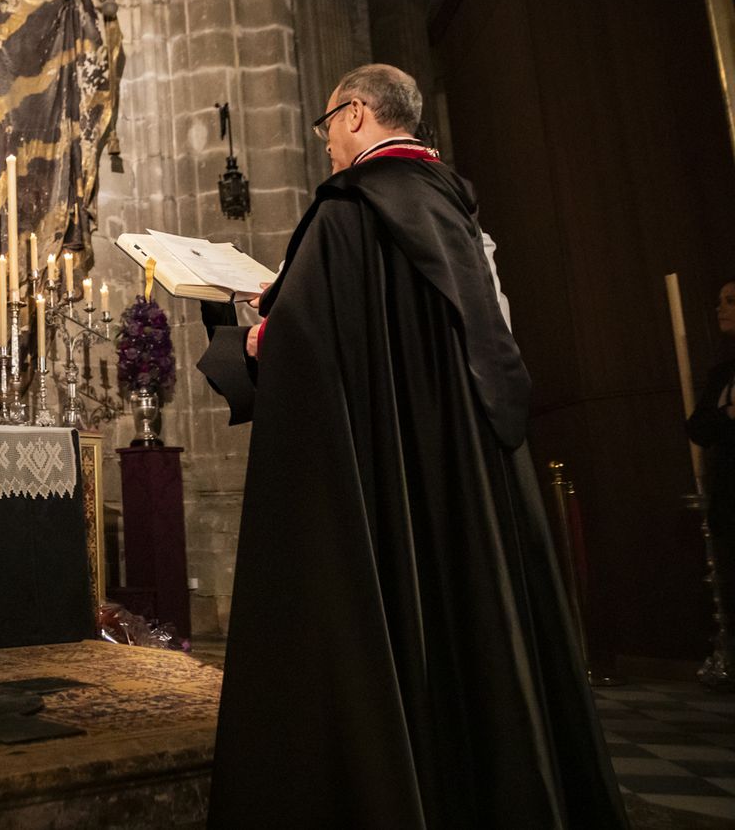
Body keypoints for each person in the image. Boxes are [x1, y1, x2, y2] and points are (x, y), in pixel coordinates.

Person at [197, 64, 626, 828]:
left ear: (356, 113)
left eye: (327, 121)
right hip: (469, 470)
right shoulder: (456, 208)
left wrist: (249, 339)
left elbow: (311, 353)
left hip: (389, 478)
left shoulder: (349, 211)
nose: (326, 140)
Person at [689, 278, 735, 626]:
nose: (721, 308)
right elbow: (699, 428)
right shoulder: (722, 373)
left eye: (730, 301)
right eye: (720, 300)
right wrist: (728, 413)